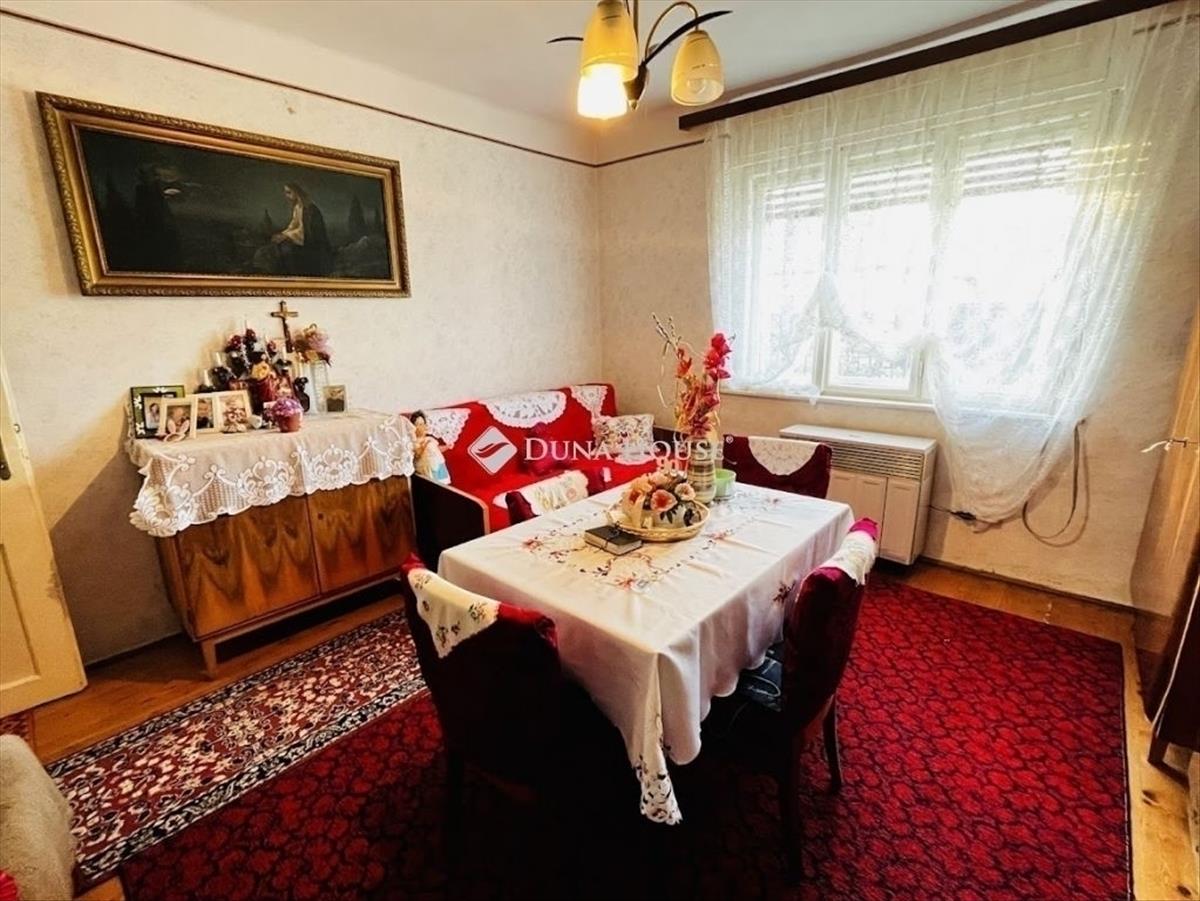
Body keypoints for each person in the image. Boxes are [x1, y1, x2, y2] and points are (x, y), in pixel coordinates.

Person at [271, 183, 334, 276]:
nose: (286, 195)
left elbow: (305, 230)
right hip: (301, 238)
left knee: (287, 249)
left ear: (296, 192)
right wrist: (283, 234)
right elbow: (293, 225)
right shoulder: (297, 206)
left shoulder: (309, 208)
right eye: (286, 192)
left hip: (312, 243)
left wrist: (287, 236)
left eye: (289, 192)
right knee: (279, 245)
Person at [411, 411, 450, 484]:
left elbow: (437, 449)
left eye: (423, 424)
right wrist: (424, 445)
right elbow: (417, 454)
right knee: (432, 484)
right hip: (427, 468)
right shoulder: (415, 442)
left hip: (438, 464)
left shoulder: (429, 439)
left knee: (443, 483)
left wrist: (446, 447)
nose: (422, 427)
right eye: (418, 424)